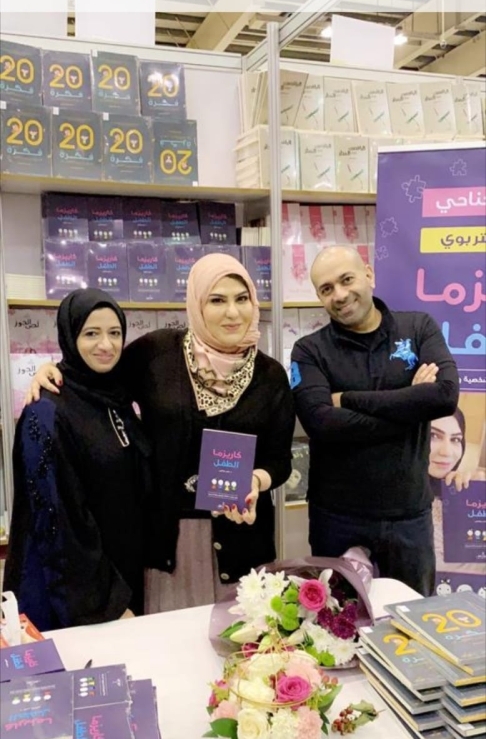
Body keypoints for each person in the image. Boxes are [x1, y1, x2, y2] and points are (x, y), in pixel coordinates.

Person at [26, 254, 295, 611]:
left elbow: (280, 460)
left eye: (241, 298)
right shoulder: (157, 353)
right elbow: (97, 378)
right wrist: (53, 370)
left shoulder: (271, 376)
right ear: (197, 303)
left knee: (239, 639)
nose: (233, 312)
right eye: (217, 300)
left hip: (242, 539)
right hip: (168, 542)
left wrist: (256, 481)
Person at [290, 245, 459, 596]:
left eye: (346, 279)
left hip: (409, 516)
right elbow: (321, 423)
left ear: (369, 274)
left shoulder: (418, 327)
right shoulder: (308, 351)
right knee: (335, 621)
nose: (339, 295)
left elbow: (444, 396)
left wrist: (348, 399)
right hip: (336, 518)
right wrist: (412, 406)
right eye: (326, 289)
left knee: (411, 618)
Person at [4, 289, 151, 630]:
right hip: (74, 597)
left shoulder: (115, 398)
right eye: (91, 333)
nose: (106, 345)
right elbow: (57, 525)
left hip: (122, 576)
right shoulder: (46, 411)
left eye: (115, 333)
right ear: (70, 336)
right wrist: (109, 603)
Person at [429, 409, 486, 586]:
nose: (446, 452)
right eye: (433, 436)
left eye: (455, 439)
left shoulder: (464, 494)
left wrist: (477, 504)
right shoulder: (388, 500)